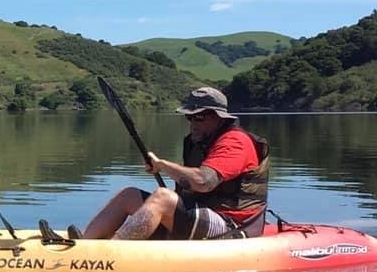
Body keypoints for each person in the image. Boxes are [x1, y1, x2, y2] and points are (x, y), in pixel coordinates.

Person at [81, 86, 269, 241]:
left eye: (199, 117)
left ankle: (111, 254)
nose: (193, 122)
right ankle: (84, 244)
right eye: (190, 117)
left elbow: (204, 182)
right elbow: (186, 191)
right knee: (128, 195)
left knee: (162, 197)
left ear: (218, 116)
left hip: (233, 226)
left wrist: (162, 165)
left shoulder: (235, 142)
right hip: (203, 216)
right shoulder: (197, 142)